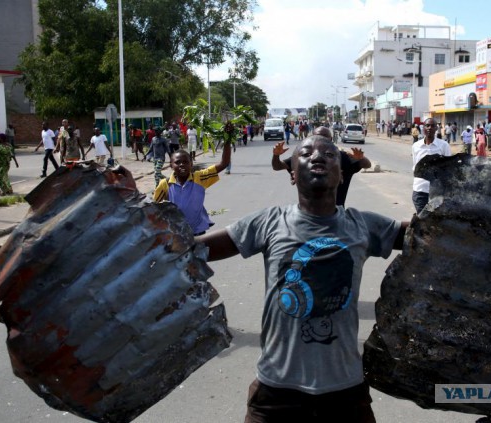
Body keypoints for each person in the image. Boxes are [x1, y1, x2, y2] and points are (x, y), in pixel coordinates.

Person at [196, 134, 407, 422]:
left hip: (345, 391)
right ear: (293, 175)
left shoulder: (363, 225)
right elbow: (196, 249)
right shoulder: (268, 222)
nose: (318, 156)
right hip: (276, 392)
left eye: (329, 154)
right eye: (306, 153)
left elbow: (430, 234)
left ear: (341, 174)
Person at [271, 127, 371, 207]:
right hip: (307, 215)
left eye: (324, 138)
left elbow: (367, 165)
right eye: (317, 137)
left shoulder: (343, 157)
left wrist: (361, 158)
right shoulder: (304, 157)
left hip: (336, 217)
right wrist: (276, 155)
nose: (320, 141)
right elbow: (278, 166)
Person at [152, 139, 232, 235]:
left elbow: (224, 163)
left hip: (197, 231)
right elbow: (155, 209)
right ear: (171, 165)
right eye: (177, 162)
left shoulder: (199, 178)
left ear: (191, 164)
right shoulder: (165, 184)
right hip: (176, 234)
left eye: (185, 162)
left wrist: (227, 139)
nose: (182, 165)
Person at [411, 117, 452, 214]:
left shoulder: (443, 146)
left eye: (433, 126)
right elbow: (415, 166)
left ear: (436, 128)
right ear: (423, 128)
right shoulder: (416, 146)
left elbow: (448, 168)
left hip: (437, 192)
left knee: (434, 221)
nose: (429, 128)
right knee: (422, 219)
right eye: (427, 125)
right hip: (420, 190)